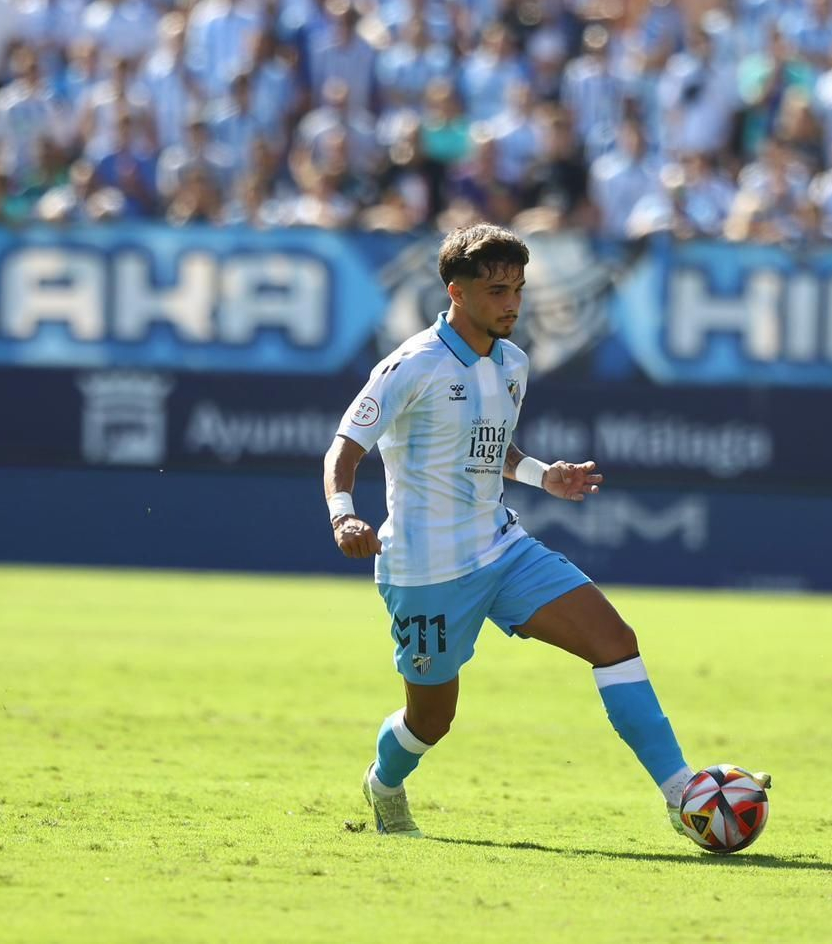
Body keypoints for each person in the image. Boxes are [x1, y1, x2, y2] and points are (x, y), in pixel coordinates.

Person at [322, 223, 768, 840]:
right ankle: (385, 783)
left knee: (615, 640)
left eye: (519, 289)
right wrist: (344, 513)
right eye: (497, 290)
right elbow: (344, 448)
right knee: (431, 721)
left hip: (503, 549)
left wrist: (541, 475)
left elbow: (491, 445)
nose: (512, 303)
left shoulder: (513, 362)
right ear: (456, 291)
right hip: (427, 571)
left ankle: (680, 793)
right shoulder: (411, 365)